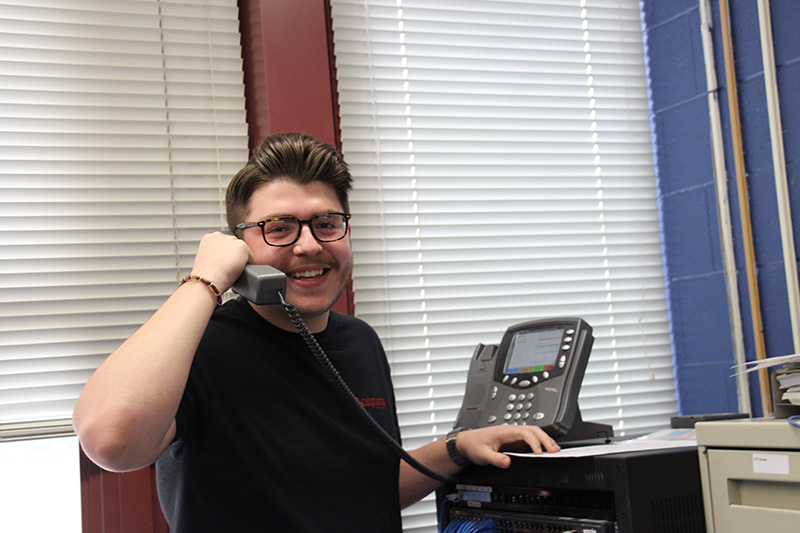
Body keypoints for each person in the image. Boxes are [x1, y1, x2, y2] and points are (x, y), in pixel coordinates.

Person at [73, 132, 561, 532]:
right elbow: (110, 441)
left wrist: (455, 449)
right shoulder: (198, 347)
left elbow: (360, 490)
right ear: (236, 246)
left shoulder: (359, 341)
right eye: (279, 228)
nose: (309, 246)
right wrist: (205, 281)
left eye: (326, 223)